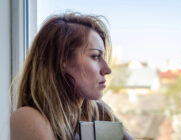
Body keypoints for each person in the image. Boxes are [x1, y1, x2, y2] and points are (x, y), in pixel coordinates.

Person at [10, 12, 134, 140]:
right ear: (62, 60)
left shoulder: (99, 113)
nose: (107, 70)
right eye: (95, 56)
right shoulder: (28, 118)